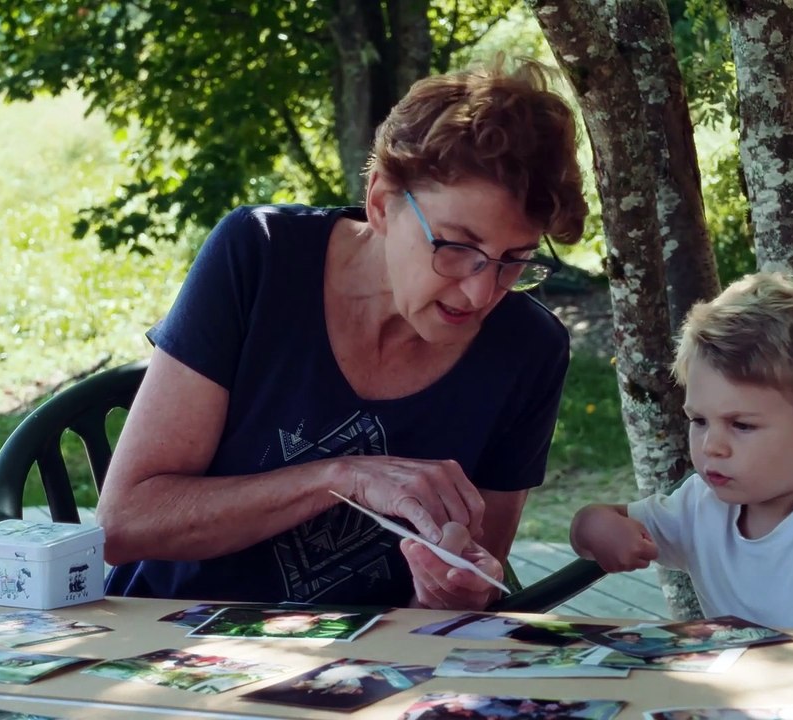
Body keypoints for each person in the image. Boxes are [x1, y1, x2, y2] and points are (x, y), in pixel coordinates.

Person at [97, 57, 588, 612]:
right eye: (456, 246)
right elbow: (124, 524)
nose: (481, 294)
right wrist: (342, 476)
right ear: (380, 201)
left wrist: (449, 591)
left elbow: (467, 586)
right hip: (171, 639)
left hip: (368, 671)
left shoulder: (528, 349)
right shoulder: (259, 257)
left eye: (513, 260)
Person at [569, 272, 793, 631]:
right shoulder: (700, 505)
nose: (712, 446)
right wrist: (596, 526)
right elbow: (592, 527)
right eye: (699, 421)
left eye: (741, 425)